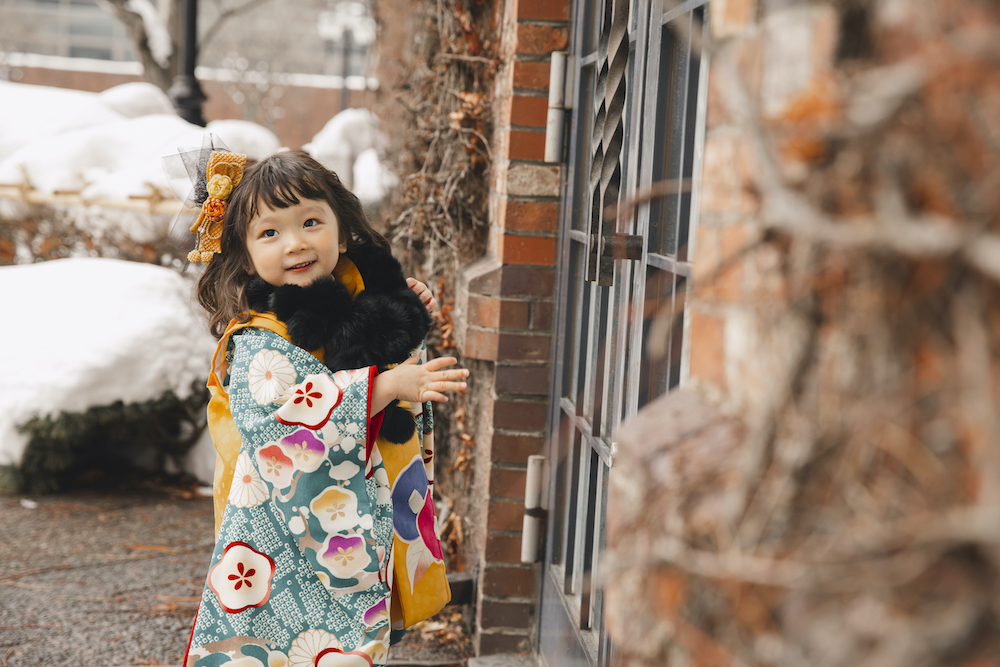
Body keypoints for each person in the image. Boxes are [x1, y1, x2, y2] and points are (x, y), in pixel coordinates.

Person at [182, 149, 467, 667]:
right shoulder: (256, 341)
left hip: (345, 521)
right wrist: (382, 386)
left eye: (310, 221)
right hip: (279, 536)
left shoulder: (349, 301)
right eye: (270, 233)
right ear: (245, 256)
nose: (295, 243)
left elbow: (377, 368)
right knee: (290, 649)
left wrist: (404, 320)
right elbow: (280, 430)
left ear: (341, 229)